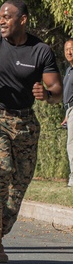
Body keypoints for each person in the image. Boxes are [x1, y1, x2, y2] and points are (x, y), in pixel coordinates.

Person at [0, 0, 61, 263]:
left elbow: (57, 90)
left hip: (26, 123)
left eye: (7, 17)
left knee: (19, 186)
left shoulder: (40, 50)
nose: (1, 21)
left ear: (23, 20)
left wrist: (47, 94)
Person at [62, 39, 73, 188]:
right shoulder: (68, 70)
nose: (69, 52)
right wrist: (67, 114)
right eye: (66, 50)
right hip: (70, 110)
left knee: (72, 144)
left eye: (72, 49)